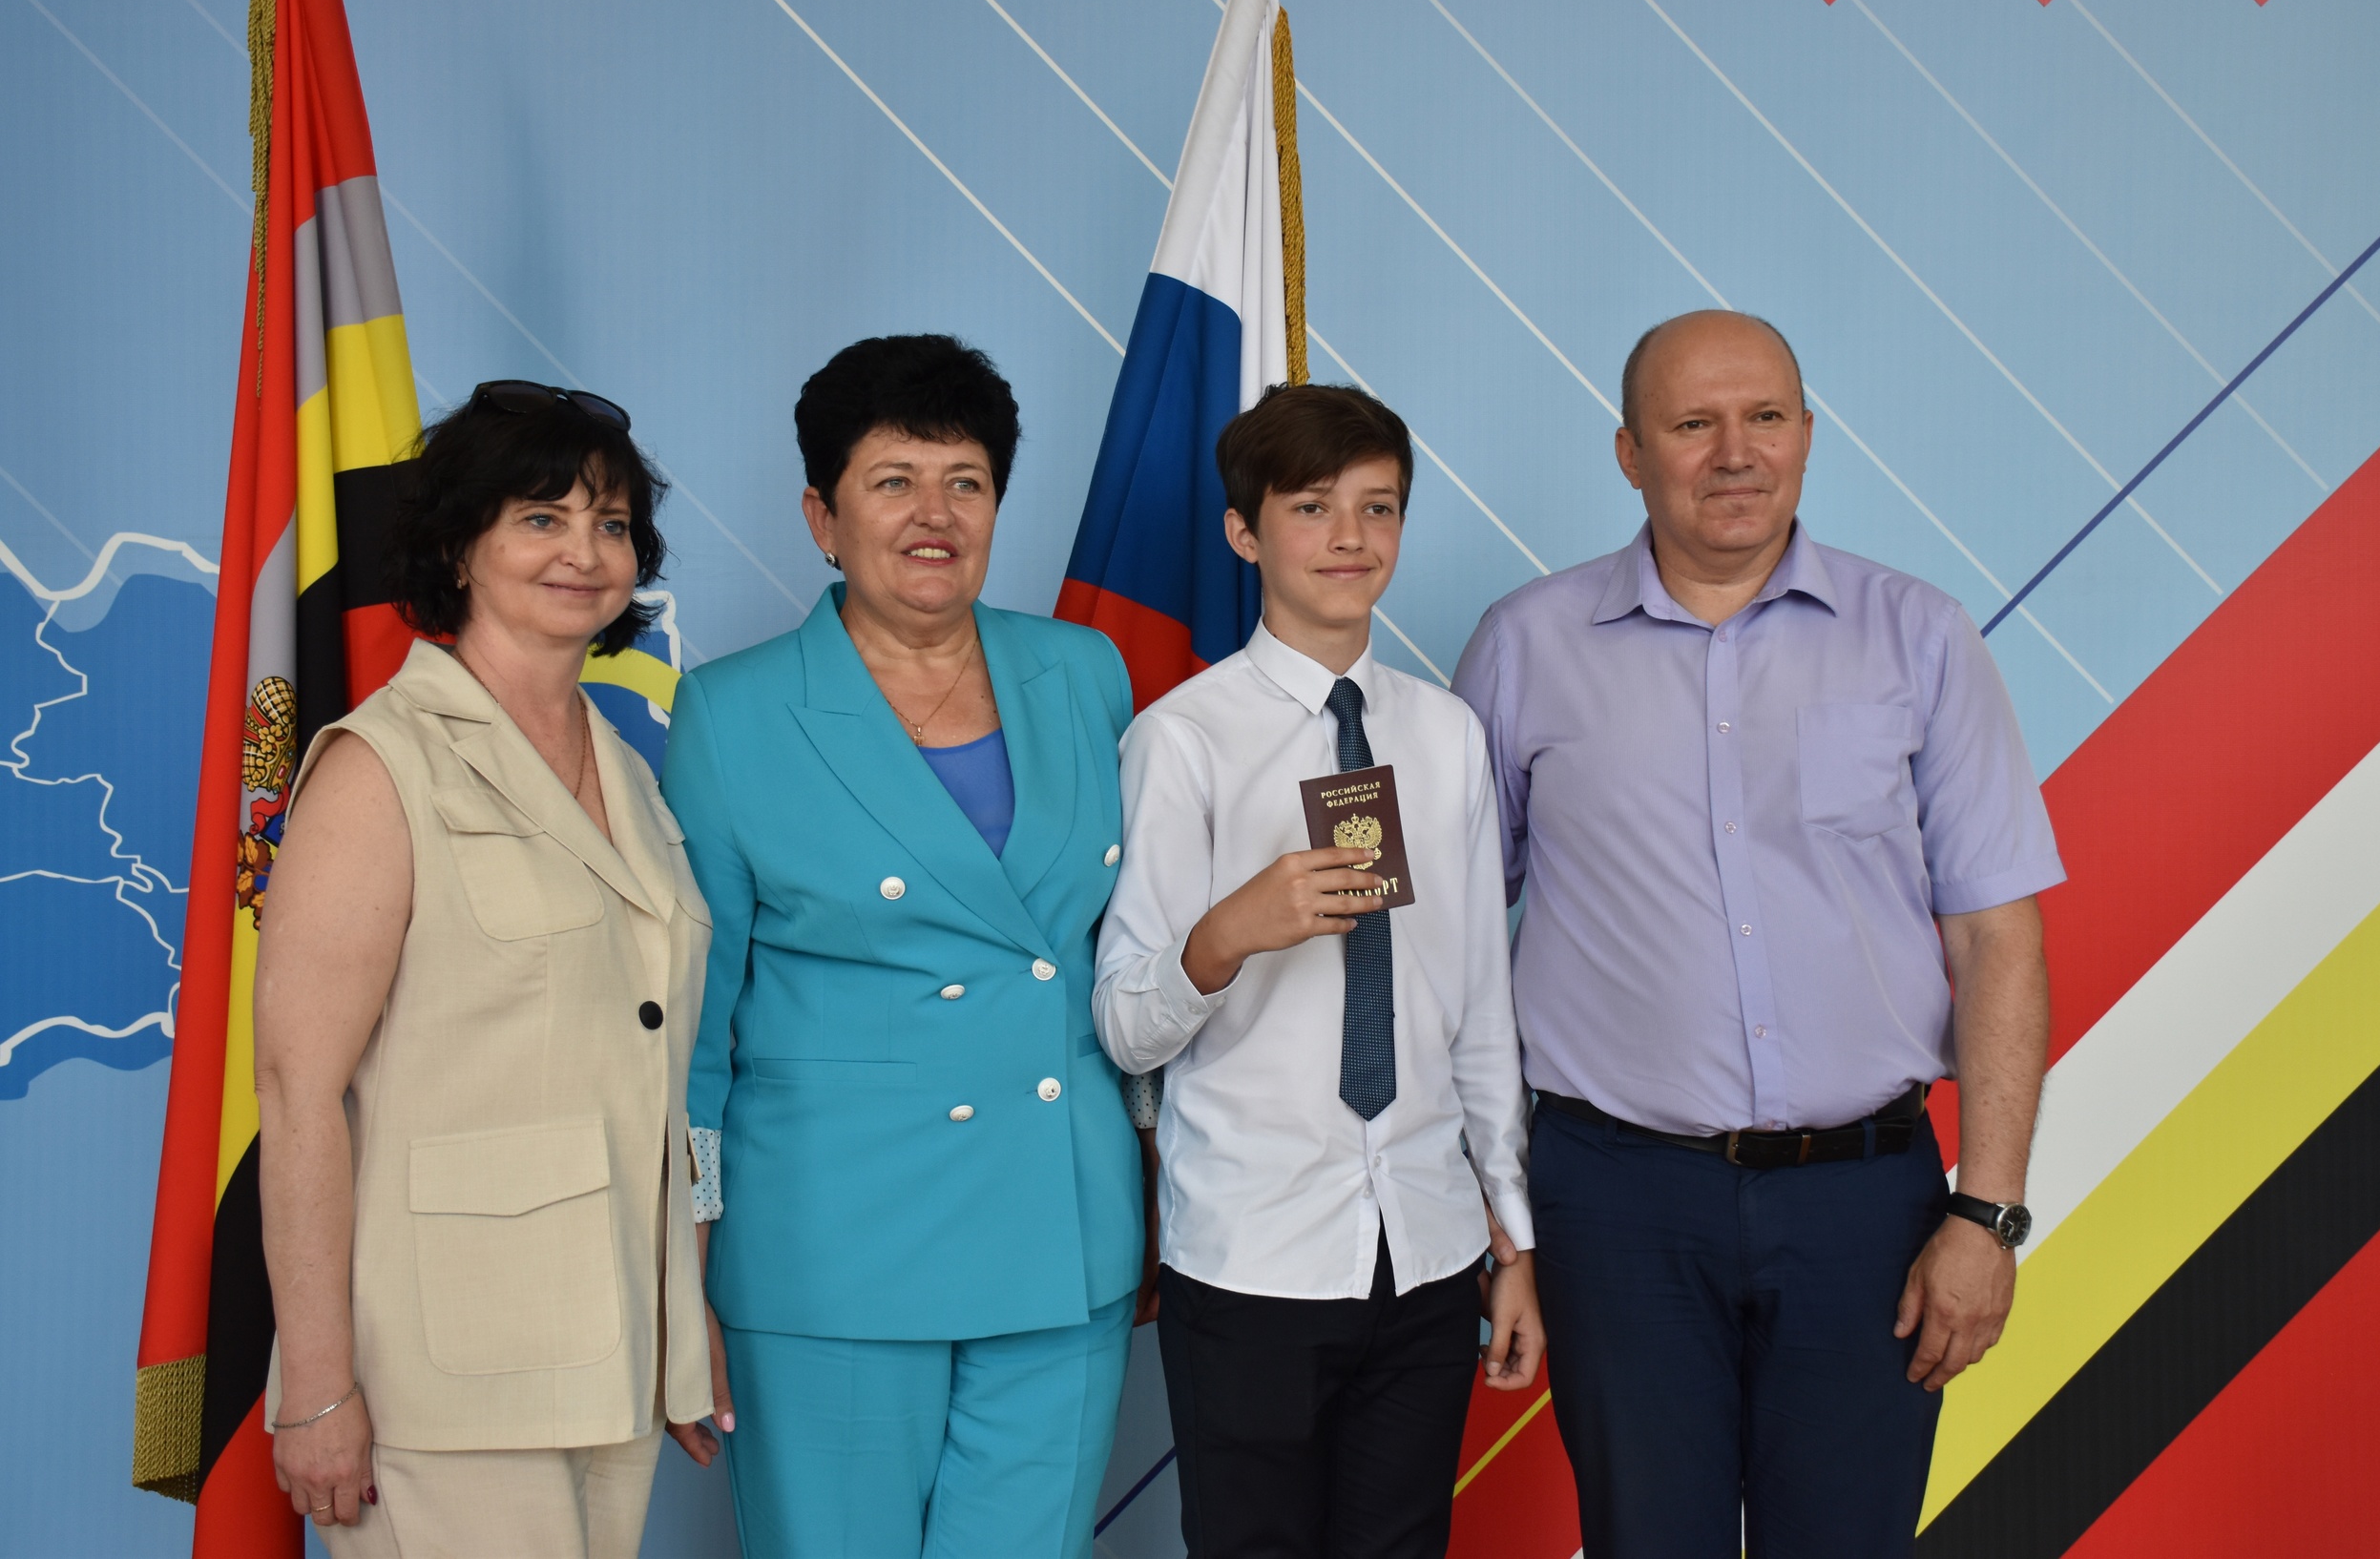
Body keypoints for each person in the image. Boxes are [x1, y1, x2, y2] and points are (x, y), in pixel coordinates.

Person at [1451, 310, 2060, 1557]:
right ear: (1630, 452)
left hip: (1868, 1209)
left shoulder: (1921, 636)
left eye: (1765, 417)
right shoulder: (1524, 644)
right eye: (1694, 423)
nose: (1736, 452)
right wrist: (1497, 1216)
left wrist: (1988, 1211)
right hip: (1615, 1202)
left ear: (1808, 434)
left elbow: (1998, 939)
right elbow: (1447, 945)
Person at [659, 335, 1142, 1558]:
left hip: (1060, 1234)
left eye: (964, 482)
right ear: (822, 517)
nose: (935, 514)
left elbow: (1127, 949)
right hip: (829, 1254)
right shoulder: (733, 710)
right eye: (893, 481)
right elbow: (696, 1030)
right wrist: (682, 1268)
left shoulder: (1084, 672)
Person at [253, 382, 715, 1554]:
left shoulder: (630, 775)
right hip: (441, 1376)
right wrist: (316, 1385)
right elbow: (299, 1092)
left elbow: (651, 1068)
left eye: (612, 524)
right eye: (541, 518)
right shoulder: (380, 766)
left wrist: (680, 1314)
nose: (584, 552)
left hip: (613, 1350)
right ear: (460, 546)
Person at [1096, 383, 1544, 1559]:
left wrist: (1511, 1238)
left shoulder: (1445, 734)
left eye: (1377, 507)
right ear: (1244, 532)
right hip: (1253, 1254)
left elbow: (1478, 1010)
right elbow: (1125, 1026)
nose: (1350, 537)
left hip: (1427, 1248)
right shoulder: (1182, 740)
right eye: (1311, 507)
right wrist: (1229, 931)